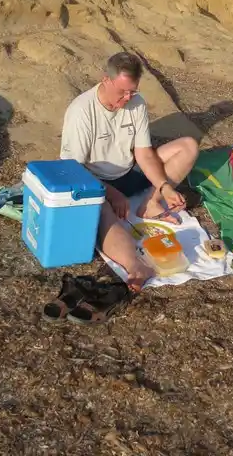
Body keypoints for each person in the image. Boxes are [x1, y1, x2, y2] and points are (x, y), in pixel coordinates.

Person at [60, 52, 200, 288]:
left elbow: (144, 153)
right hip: (94, 179)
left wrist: (163, 187)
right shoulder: (82, 111)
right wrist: (112, 194)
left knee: (188, 146)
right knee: (104, 212)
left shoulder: (137, 103)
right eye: (122, 92)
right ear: (106, 80)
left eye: (132, 92)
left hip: (128, 171)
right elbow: (73, 169)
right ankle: (134, 265)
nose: (127, 98)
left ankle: (151, 204)